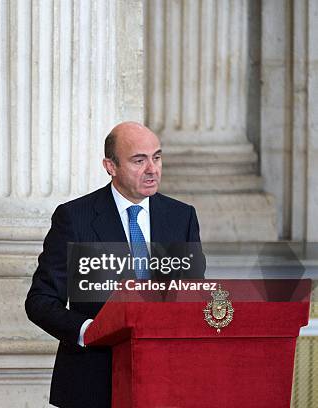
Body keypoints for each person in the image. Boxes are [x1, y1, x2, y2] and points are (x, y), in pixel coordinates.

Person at [25, 121, 206, 408]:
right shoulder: (74, 218)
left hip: (166, 380)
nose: (152, 169)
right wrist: (90, 331)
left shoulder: (181, 217)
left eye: (156, 157)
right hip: (93, 380)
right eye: (139, 160)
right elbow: (40, 301)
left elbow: (191, 294)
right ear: (110, 166)